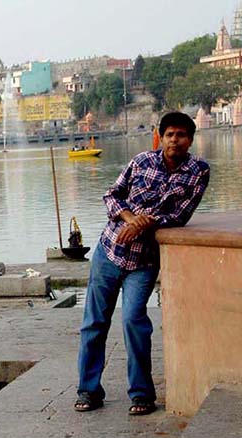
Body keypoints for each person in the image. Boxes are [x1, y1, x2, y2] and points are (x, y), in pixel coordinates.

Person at [75, 111, 210, 416]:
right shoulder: (140, 162)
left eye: (181, 135)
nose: (175, 140)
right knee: (94, 324)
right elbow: (111, 196)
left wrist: (146, 222)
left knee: (134, 322)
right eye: (170, 135)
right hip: (109, 252)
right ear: (161, 138)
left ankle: (141, 394)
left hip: (145, 260)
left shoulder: (198, 171)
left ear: (190, 139)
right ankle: (88, 390)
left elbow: (181, 216)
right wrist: (130, 218)